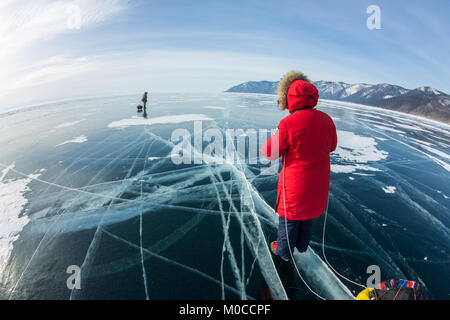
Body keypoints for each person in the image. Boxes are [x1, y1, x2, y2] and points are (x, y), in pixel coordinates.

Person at [261, 71, 337, 262]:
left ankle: (283, 254)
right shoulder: (326, 119)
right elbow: (332, 146)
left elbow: (269, 152)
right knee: (307, 216)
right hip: (318, 185)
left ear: (290, 99)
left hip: (296, 186)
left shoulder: (289, 123)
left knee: (289, 220)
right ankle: (302, 247)